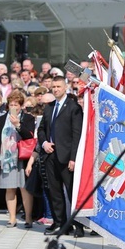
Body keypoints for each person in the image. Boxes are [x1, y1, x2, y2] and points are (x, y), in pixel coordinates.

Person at [38, 75, 83, 236]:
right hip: (51, 155)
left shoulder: (73, 107)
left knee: (72, 192)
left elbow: (77, 135)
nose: (56, 89)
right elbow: (41, 129)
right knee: (55, 191)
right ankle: (60, 223)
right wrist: (44, 143)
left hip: (67, 157)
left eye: (58, 86)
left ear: (65, 88)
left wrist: (73, 158)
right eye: (54, 87)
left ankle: (79, 225)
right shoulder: (49, 107)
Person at [0, 90, 36, 228]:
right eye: (11, 104)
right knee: (9, 188)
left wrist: (18, 125)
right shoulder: (3, 118)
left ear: (21, 106)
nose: (13, 107)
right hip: (6, 159)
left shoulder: (27, 118)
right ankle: (12, 218)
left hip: (21, 157)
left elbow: (29, 137)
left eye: (16, 104)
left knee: (24, 188)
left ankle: (28, 218)